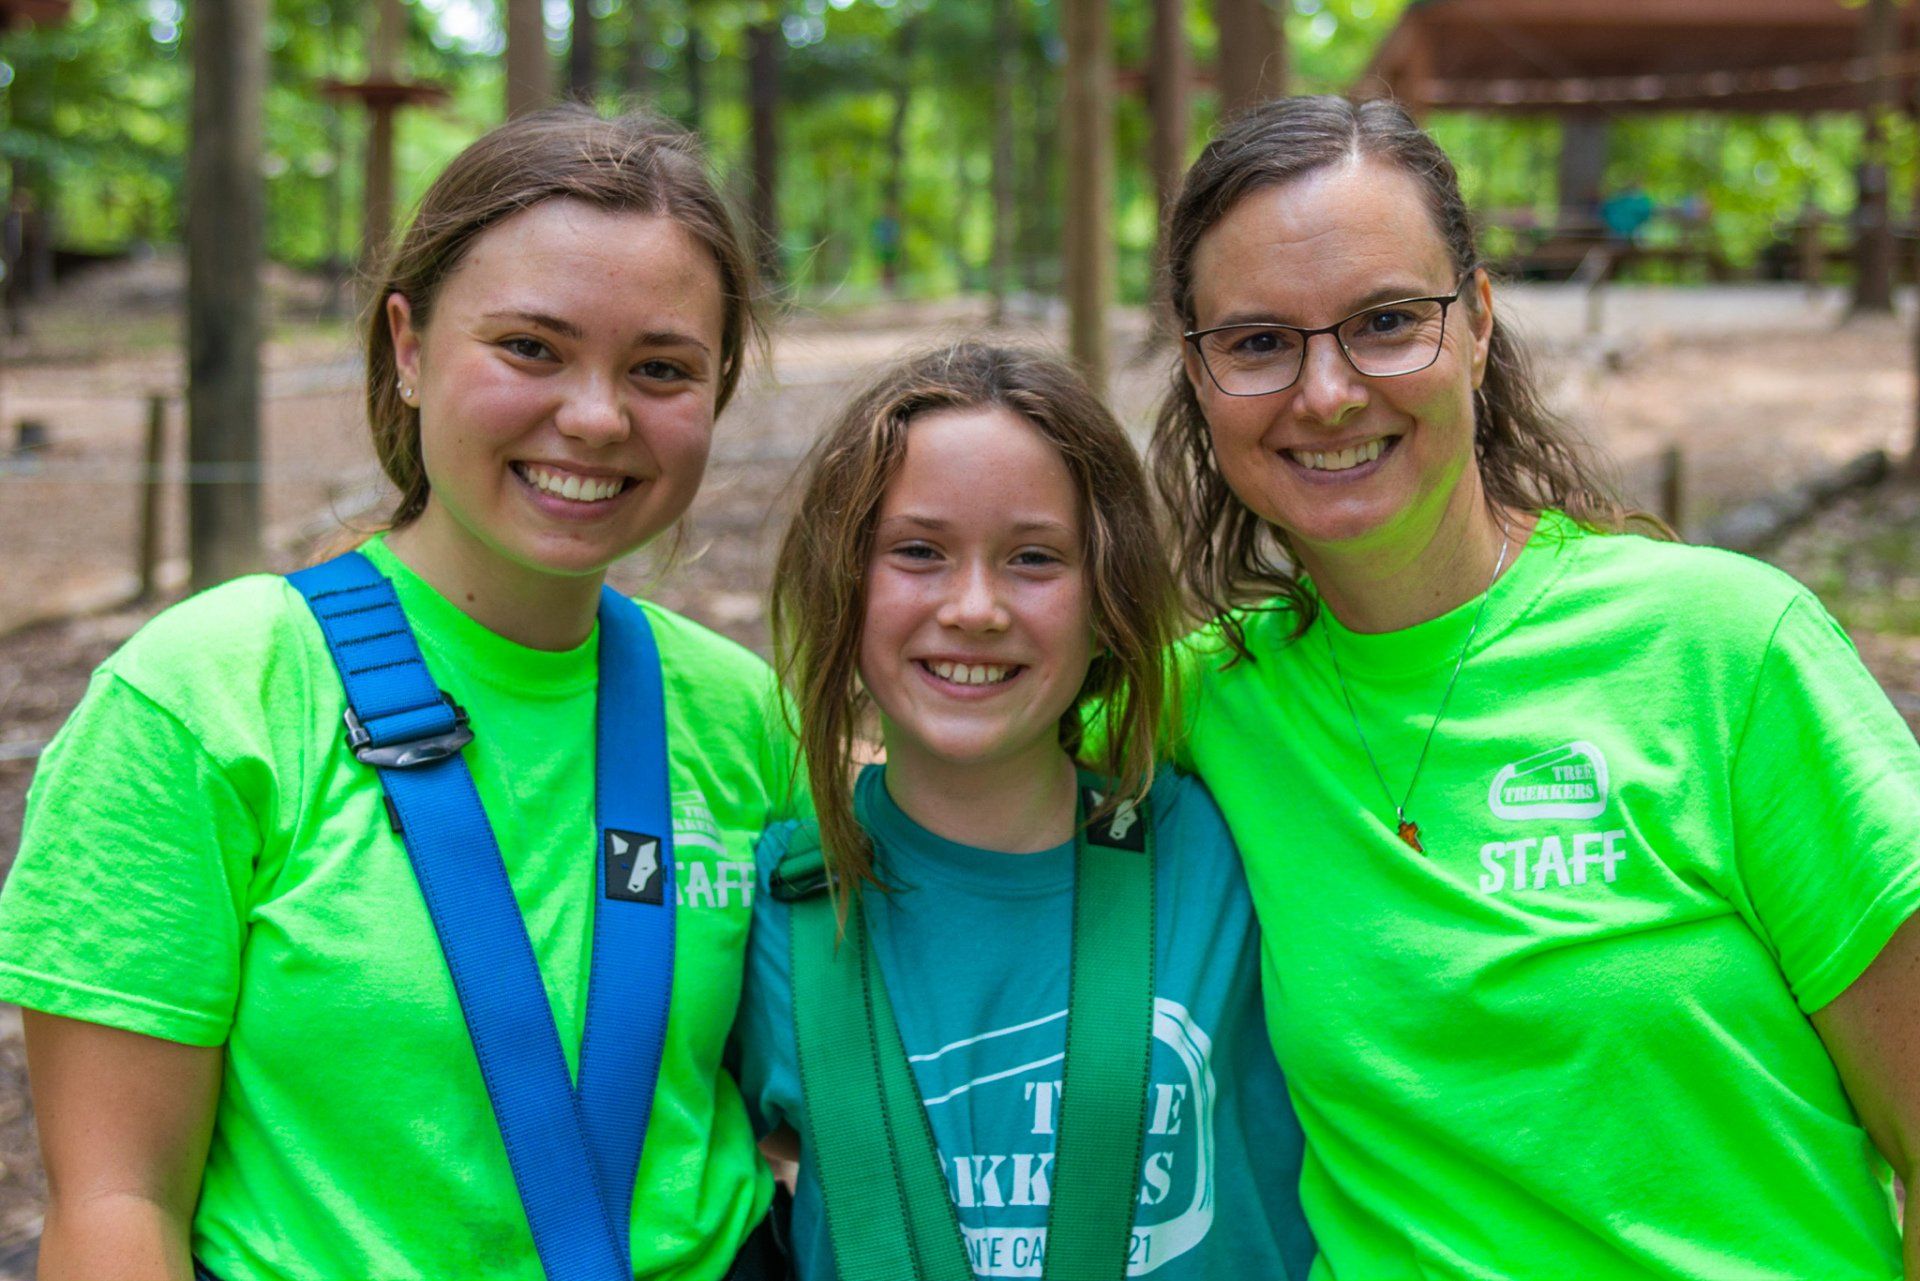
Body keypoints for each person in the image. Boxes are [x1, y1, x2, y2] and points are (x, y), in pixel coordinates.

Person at [0, 106, 796, 1281]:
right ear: (410, 348)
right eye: (530, 347)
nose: (594, 415)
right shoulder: (204, 699)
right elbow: (117, 1207)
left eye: (661, 368)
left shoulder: (744, 715)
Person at [1152, 93, 1920, 1280]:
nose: (1327, 393)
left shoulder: (1725, 651)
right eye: (1258, 342)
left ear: (1478, 324)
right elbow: (943, 748)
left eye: (1387, 321)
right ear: (1199, 378)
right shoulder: (1201, 703)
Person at [735, 341, 1316, 1280]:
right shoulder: (773, 910)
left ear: (1106, 600)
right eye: (918, 551)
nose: (974, 607)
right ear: (844, 583)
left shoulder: (1228, 849)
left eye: (1035, 558)